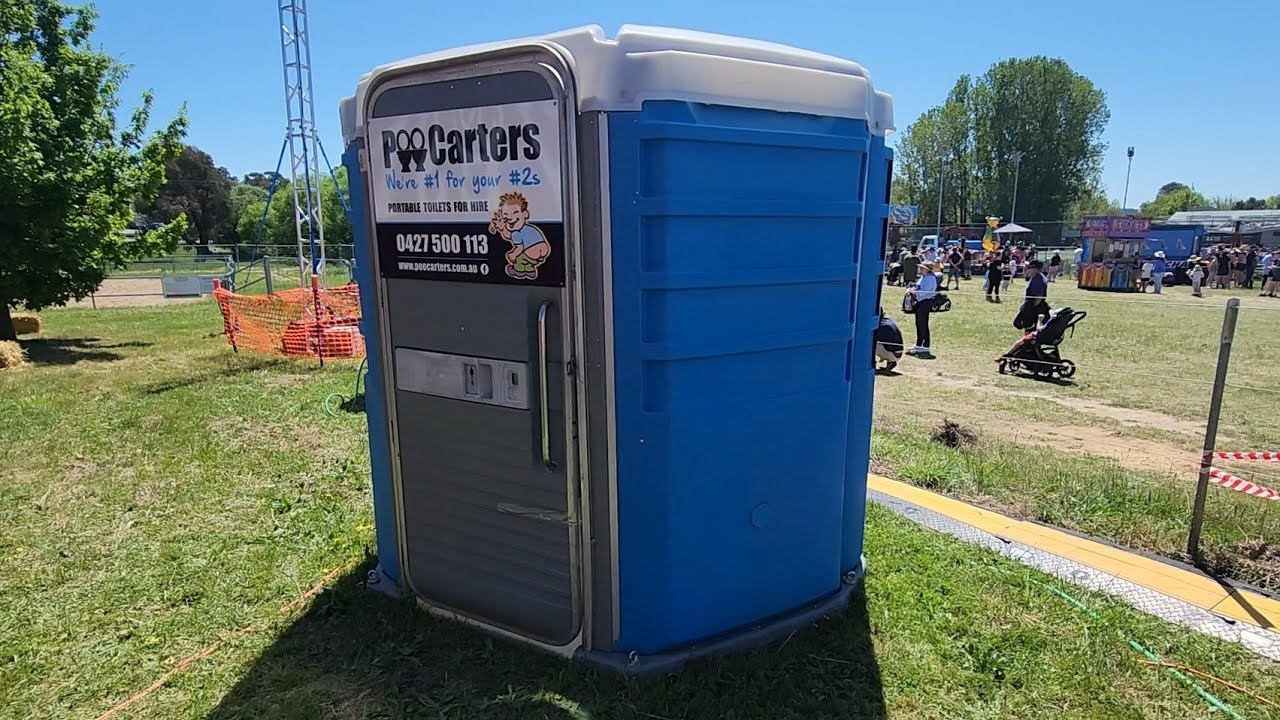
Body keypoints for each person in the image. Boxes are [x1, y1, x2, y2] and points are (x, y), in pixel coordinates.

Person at [908, 261, 941, 357]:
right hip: (919, 302)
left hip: (925, 302)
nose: (920, 269)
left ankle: (925, 345)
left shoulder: (930, 278)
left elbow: (925, 291)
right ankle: (919, 343)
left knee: (923, 323)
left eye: (922, 268)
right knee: (919, 323)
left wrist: (915, 292)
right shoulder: (923, 277)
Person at [1014, 259, 1049, 331]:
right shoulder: (1035, 277)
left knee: (1030, 329)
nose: (1027, 269)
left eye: (1029, 267)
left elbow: (1039, 298)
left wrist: (1031, 310)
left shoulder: (1038, 280)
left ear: (1035, 269)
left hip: (1035, 307)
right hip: (1031, 305)